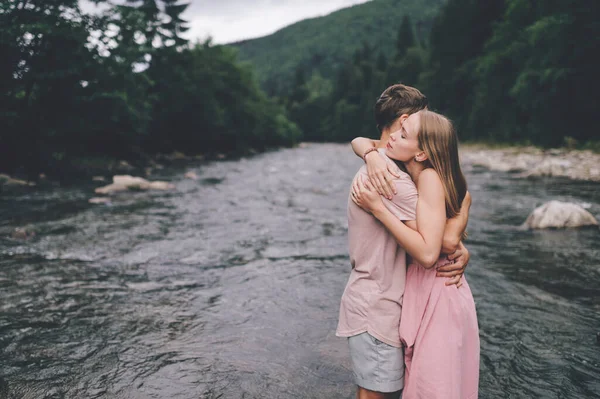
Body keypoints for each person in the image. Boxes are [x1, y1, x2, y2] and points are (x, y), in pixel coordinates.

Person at [336, 84, 471, 399]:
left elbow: (365, 142)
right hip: (378, 308)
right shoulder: (393, 179)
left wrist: (367, 150)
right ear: (407, 119)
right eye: (420, 121)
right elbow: (438, 244)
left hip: (379, 303)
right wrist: (463, 216)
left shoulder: (386, 164)